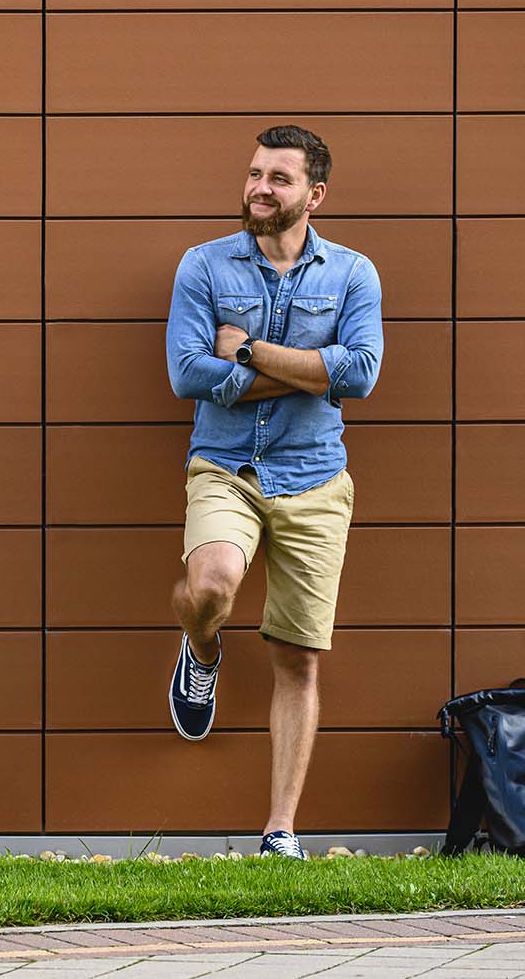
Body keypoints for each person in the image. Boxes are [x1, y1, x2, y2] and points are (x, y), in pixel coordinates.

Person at [163, 125, 385, 860]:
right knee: (212, 587)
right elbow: (189, 375)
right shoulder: (203, 266)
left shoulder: (353, 275)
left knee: (297, 657)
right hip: (226, 466)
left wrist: (250, 352)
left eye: (279, 178)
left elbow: (359, 376)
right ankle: (201, 651)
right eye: (255, 174)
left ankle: (280, 830)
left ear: (314, 195)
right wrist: (305, 369)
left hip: (316, 480)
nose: (260, 187)